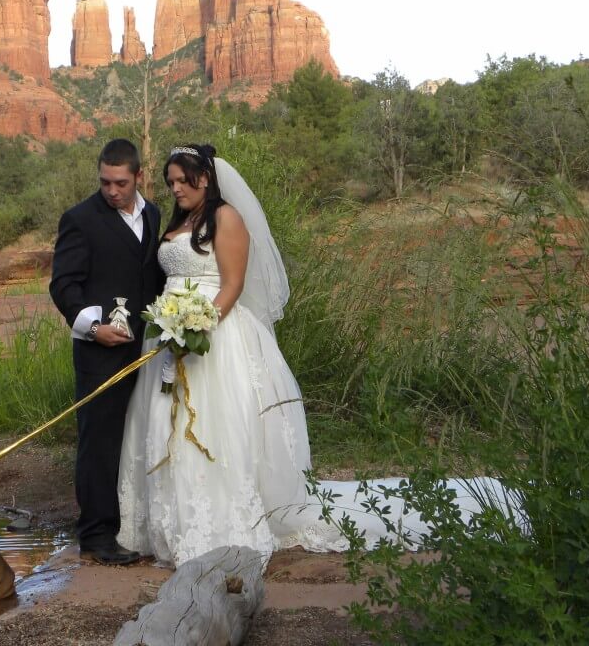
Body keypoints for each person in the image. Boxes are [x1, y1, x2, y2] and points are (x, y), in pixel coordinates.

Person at [117, 144, 505, 568]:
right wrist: (170, 327)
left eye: (181, 180)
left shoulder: (226, 218)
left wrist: (197, 325)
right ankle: (174, 524)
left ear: (204, 177)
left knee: (216, 426)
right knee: (164, 423)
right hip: (168, 336)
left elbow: (232, 284)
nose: (175, 188)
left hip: (212, 335)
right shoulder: (179, 221)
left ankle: (221, 523)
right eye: (170, 181)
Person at [50, 138, 165, 565]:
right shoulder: (79, 219)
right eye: (105, 182)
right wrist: (93, 328)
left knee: (137, 435)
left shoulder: (153, 214)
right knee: (98, 440)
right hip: (98, 352)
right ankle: (96, 536)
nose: (112, 191)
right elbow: (63, 286)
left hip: (147, 349)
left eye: (120, 183)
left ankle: (131, 522)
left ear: (139, 177)